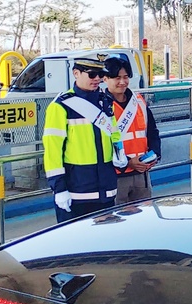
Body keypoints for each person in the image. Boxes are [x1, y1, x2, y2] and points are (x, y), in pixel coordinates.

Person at [43, 54, 123, 223]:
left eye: (101, 75)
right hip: (76, 191)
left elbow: (114, 133)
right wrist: (59, 189)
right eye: (91, 74)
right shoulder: (60, 106)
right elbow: (52, 151)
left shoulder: (105, 102)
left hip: (106, 190)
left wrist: (120, 153)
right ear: (76, 73)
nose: (97, 79)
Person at [103, 57, 161, 204]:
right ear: (105, 79)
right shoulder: (100, 106)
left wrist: (155, 154)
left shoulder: (138, 101)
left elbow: (152, 132)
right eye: (117, 78)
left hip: (142, 172)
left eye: (125, 77)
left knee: (143, 219)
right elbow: (100, 143)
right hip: (115, 175)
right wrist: (128, 162)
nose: (122, 82)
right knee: (118, 220)